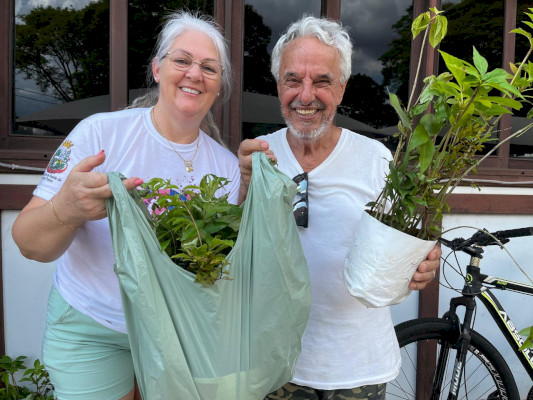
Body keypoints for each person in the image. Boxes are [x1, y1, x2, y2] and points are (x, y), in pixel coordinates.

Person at [12, 11, 239, 400]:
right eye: (181, 60)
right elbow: (29, 244)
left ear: (219, 86)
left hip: (174, 333)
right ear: (157, 68)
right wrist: (66, 209)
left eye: (209, 67)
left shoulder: (226, 168)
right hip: (93, 326)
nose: (194, 74)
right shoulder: (100, 133)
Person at [237, 15, 441, 400]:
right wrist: (245, 186)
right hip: (274, 366)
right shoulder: (259, 156)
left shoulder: (375, 159)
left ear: (343, 88)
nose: (306, 95)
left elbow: (411, 241)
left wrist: (425, 262)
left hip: (357, 367)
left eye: (322, 81)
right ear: (278, 84)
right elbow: (231, 252)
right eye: (293, 80)